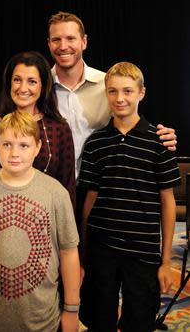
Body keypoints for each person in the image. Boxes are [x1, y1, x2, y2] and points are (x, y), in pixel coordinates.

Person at [0, 11, 177, 227]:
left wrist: (160, 135)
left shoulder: (108, 85)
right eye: (56, 39)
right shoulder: (39, 87)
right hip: (45, 192)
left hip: (98, 191)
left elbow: (130, 119)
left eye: (70, 38)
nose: (63, 45)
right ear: (49, 44)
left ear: (84, 42)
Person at [0, 110, 80, 332]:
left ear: (38, 148)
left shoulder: (56, 193)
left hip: (41, 319)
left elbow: (69, 252)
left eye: (23, 145)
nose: (14, 153)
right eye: (7, 144)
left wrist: (71, 308)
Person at [78, 62, 181, 332]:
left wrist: (166, 260)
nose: (120, 98)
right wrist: (83, 252)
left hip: (143, 251)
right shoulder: (96, 143)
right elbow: (90, 198)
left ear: (141, 93)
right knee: (99, 318)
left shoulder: (160, 141)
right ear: (106, 93)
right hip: (102, 248)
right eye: (112, 91)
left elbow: (167, 201)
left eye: (127, 91)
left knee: (139, 320)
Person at [0, 50, 76, 209]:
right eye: (17, 80)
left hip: (44, 223)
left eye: (31, 81)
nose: (23, 88)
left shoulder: (59, 129)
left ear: (43, 86)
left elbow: (68, 188)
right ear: (9, 83)